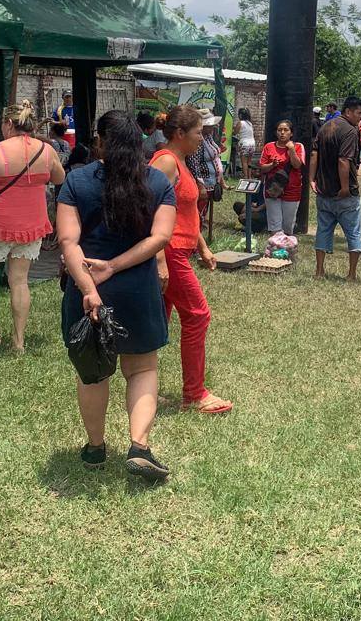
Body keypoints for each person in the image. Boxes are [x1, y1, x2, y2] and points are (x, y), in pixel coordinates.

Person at [57, 110, 178, 476]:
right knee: (142, 368)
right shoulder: (158, 182)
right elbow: (160, 237)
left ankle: (95, 448)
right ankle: (139, 445)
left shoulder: (77, 180)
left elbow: (68, 242)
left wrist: (90, 287)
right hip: (138, 290)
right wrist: (115, 265)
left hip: (87, 289)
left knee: (93, 371)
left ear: (100, 141)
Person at [0, 99, 66, 352]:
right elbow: (59, 177)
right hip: (31, 225)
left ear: (9, 123)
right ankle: (19, 341)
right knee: (19, 280)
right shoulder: (46, 150)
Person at [150, 106, 231, 414]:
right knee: (198, 315)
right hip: (169, 252)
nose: (203, 137)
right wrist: (159, 259)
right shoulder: (166, 162)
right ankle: (195, 394)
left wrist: (202, 247)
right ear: (180, 133)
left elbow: (181, 211)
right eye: (198, 132)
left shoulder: (180, 160)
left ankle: (146, 387)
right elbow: (149, 211)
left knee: (159, 321)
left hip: (179, 250)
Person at [310, 96, 361, 281]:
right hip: (345, 194)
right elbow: (344, 160)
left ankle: (319, 271)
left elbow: (314, 154)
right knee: (354, 232)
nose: (360, 117)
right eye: (358, 113)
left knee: (323, 230)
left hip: (324, 190)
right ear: (348, 111)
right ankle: (351, 274)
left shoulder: (325, 126)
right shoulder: (350, 131)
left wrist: (312, 179)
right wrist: (344, 187)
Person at [260, 120, 305, 236]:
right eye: (280, 130)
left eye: (286, 130)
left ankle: (287, 245)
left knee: (288, 226)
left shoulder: (298, 146)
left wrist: (291, 150)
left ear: (291, 133)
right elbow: (262, 168)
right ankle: (275, 245)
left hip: (292, 190)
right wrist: (272, 165)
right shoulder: (269, 147)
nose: (282, 133)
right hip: (273, 190)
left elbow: (297, 165)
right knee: (275, 225)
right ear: (276, 132)